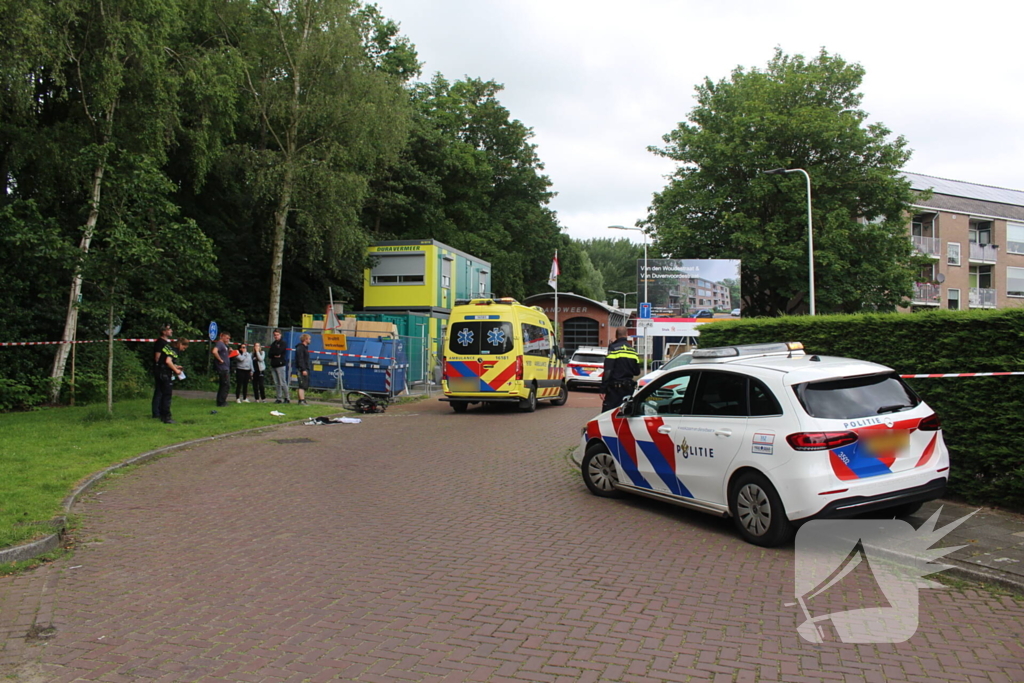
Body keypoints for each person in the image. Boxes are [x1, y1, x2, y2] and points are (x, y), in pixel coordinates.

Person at [600, 327, 641, 413]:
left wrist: (603, 389)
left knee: (608, 415)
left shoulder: (613, 348)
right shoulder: (633, 350)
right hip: (629, 389)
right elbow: (637, 372)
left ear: (616, 335)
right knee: (625, 415)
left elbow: (608, 371)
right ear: (626, 335)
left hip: (614, 391)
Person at [156, 338, 188, 424]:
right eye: (184, 348)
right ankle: (167, 417)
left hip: (159, 372)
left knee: (160, 394)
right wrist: (176, 370)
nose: (183, 350)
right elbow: (168, 361)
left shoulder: (168, 347)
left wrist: (176, 366)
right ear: (180, 344)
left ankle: (160, 414)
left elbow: (163, 360)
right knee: (167, 395)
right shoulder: (174, 350)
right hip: (165, 374)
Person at [151, 324, 173, 419]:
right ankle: (156, 412)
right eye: (169, 329)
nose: (171, 331)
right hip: (160, 369)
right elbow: (157, 357)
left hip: (163, 368)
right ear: (164, 332)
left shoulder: (165, 342)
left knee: (162, 391)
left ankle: (159, 410)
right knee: (159, 391)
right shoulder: (160, 343)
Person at [268, 329, 290, 404]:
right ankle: (278, 398)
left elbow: (279, 351)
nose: (276, 336)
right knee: (276, 382)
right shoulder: (273, 344)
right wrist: (275, 354)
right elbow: (270, 354)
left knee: (282, 382)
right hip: (273, 364)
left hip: (280, 364)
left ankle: (287, 398)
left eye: (277, 335)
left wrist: (276, 353)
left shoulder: (283, 343)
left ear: (280, 335)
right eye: (275, 335)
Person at [212, 331, 232, 407]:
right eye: (226, 338)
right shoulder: (220, 344)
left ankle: (221, 401)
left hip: (225, 367)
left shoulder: (224, 345)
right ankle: (221, 402)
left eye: (229, 338)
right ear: (222, 336)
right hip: (223, 368)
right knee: (225, 385)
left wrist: (229, 352)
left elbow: (226, 356)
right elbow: (214, 351)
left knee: (223, 384)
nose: (228, 340)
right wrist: (220, 360)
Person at [295, 333, 311, 405]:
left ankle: (302, 400)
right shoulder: (301, 348)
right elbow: (300, 359)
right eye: (309, 339)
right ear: (305, 339)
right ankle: (301, 400)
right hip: (302, 368)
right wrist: (303, 369)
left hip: (304, 367)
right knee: (302, 384)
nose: (310, 340)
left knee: (304, 384)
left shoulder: (304, 348)